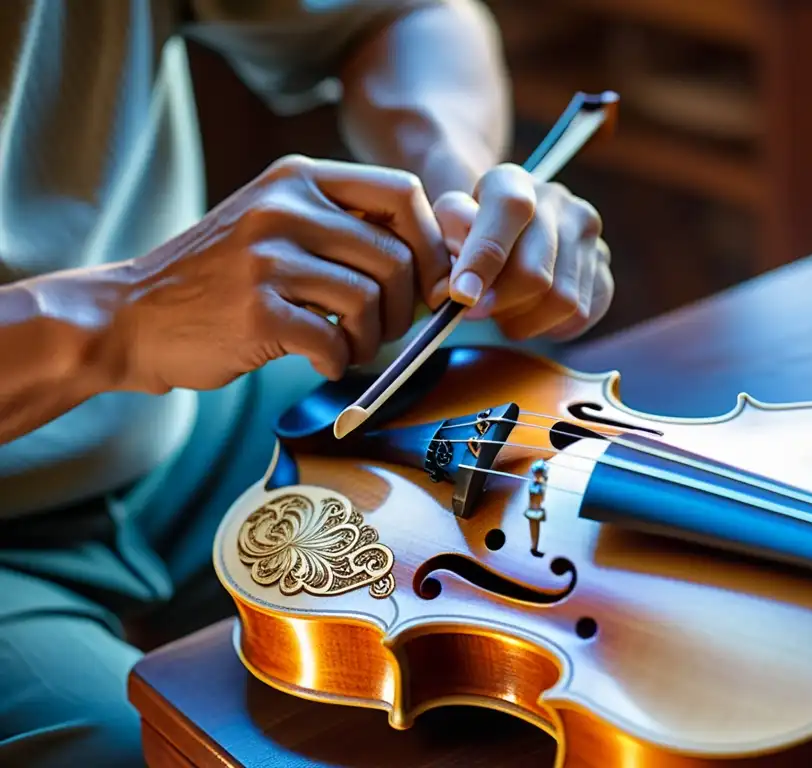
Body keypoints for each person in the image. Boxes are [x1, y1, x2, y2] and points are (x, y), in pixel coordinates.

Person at [0, 1, 613, 765]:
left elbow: (400, 15)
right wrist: (116, 319)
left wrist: (457, 188)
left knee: (508, 442)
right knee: (141, 753)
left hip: (174, 418)